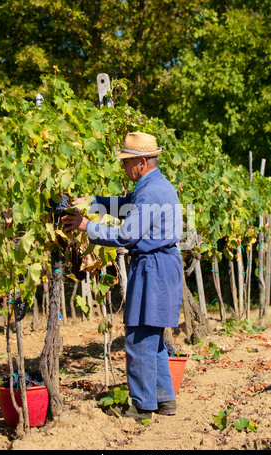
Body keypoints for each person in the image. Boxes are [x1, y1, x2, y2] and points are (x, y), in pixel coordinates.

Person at [62, 131, 183, 420]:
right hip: (161, 265)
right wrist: (96, 202)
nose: (123, 167)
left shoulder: (151, 191)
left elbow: (127, 235)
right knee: (152, 336)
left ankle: (142, 406)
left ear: (141, 162)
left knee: (139, 337)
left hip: (153, 267)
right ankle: (165, 400)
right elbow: (128, 204)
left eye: (126, 162)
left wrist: (85, 227)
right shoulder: (152, 185)